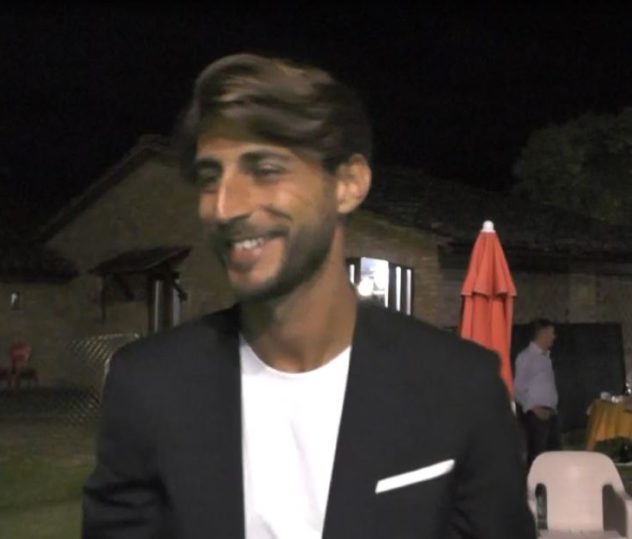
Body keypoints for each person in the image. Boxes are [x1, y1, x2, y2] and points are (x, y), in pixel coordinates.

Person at [82, 53, 535, 538]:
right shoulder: (150, 387)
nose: (225, 207)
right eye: (211, 178)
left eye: (265, 169)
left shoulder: (459, 387)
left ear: (348, 184)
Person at [514, 318, 561, 468]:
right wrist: (534, 408)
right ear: (542, 333)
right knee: (538, 457)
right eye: (551, 333)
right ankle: (535, 483)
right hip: (536, 415)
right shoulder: (526, 357)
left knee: (555, 455)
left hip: (550, 413)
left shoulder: (545, 358)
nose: (554, 337)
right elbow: (516, 388)